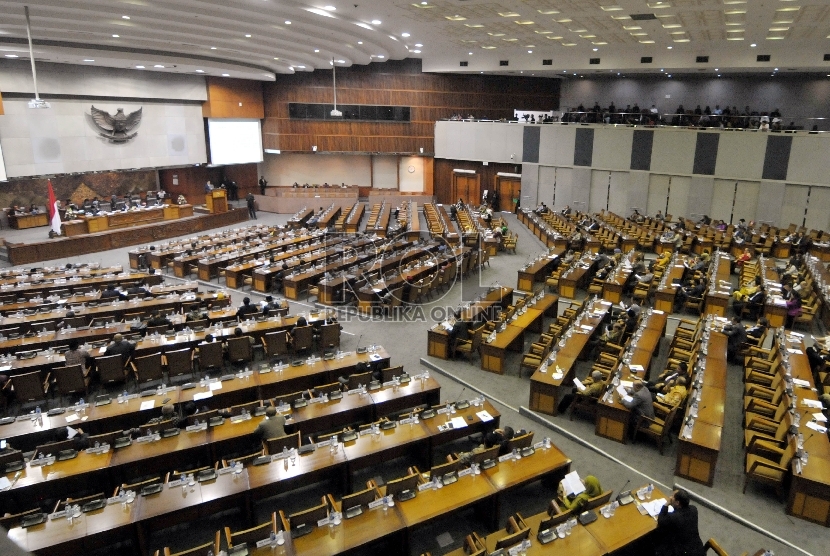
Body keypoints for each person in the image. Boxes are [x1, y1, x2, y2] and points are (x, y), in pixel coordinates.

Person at [655, 489, 705, 556]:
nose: (670, 497)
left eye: (672, 496)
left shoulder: (674, 517)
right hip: (699, 550)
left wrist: (666, 504)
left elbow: (661, 520)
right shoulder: (694, 509)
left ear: (677, 502)